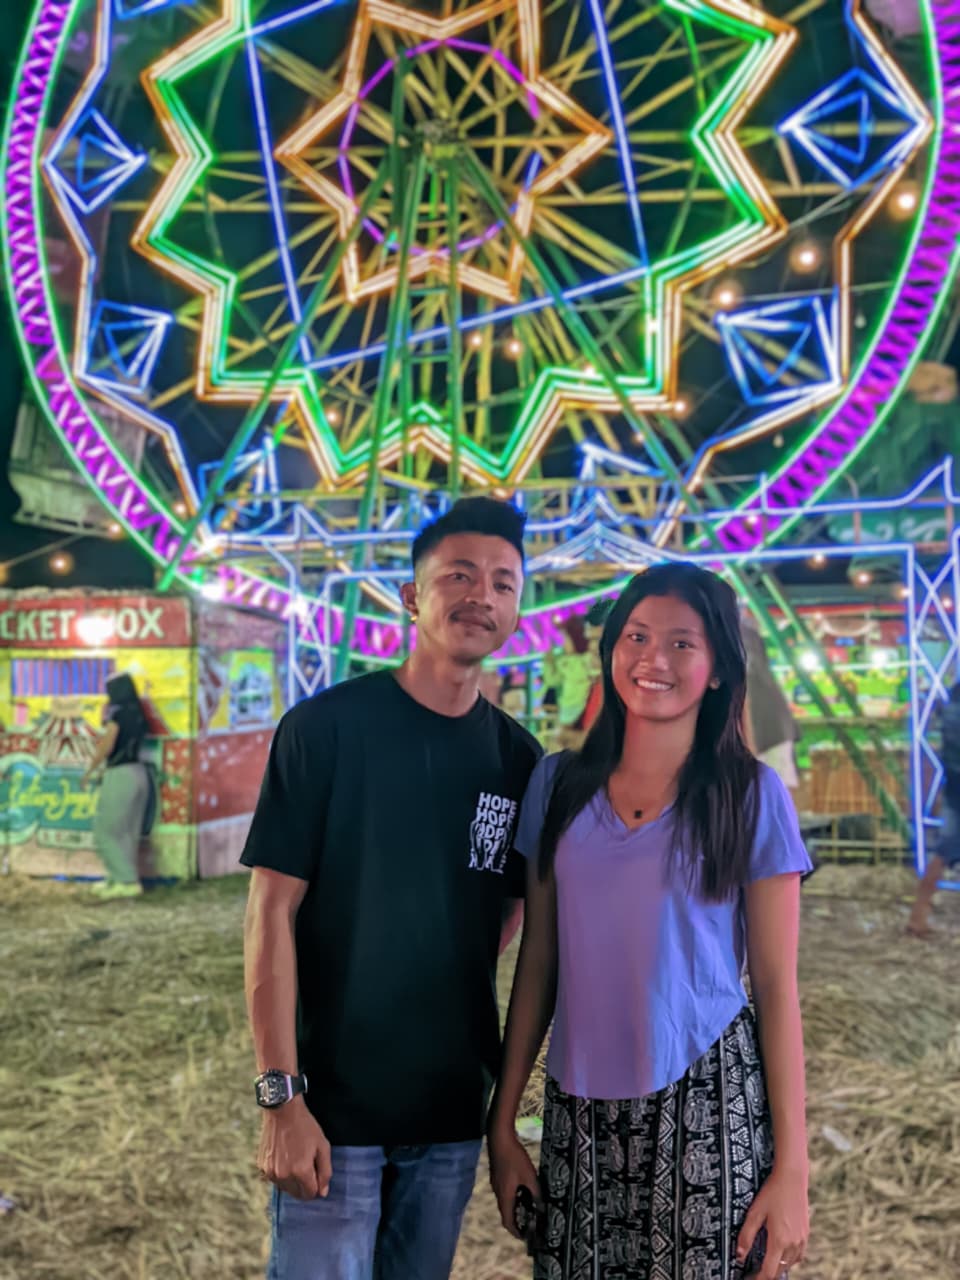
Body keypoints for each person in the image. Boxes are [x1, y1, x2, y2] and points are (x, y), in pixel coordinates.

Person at [241, 497, 542, 1280]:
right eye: (459, 575)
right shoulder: (325, 730)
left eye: (503, 583)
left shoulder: (520, 760)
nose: (481, 596)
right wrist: (281, 1097)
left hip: (451, 1108)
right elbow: (271, 911)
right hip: (331, 1108)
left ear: (518, 608)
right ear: (411, 596)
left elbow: (507, 908)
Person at [488, 562, 811, 1280]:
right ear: (611, 649)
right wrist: (503, 1122)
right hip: (577, 1108)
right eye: (635, 636)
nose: (652, 659)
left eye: (681, 643)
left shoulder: (750, 795)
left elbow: (777, 989)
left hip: (708, 1100)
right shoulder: (557, 784)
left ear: (719, 669)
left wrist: (793, 1169)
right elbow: (538, 961)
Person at [81, 673, 150, 900]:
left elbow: (108, 744)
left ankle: (125, 880)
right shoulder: (139, 713)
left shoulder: (117, 713)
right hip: (139, 772)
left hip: (120, 773)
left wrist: (91, 769)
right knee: (128, 832)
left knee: (106, 831)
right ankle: (120, 878)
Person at [907, 680, 960, 938]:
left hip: (954, 789)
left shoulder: (951, 708)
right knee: (943, 852)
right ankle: (917, 916)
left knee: (941, 853)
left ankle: (918, 914)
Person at [741, 607, 800, 795]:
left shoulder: (737, 636)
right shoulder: (744, 634)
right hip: (770, 730)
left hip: (766, 732)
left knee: (773, 792)